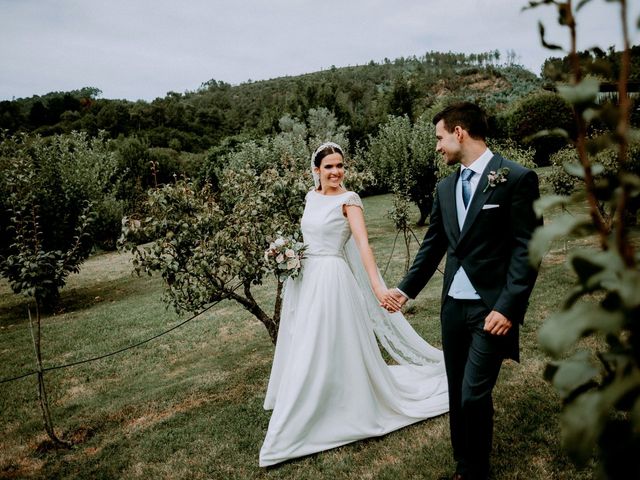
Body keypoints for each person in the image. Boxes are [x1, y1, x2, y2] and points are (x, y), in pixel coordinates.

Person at [259, 142, 449, 467]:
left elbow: (363, 247)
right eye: (329, 166)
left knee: (325, 341)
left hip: (332, 279)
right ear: (316, 170)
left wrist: (378, 287)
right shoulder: (310, 196)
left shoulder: (351, 201)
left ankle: (319, 414)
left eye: (340, 165)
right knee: (306, 341)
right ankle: (311, 399)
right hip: (304, 280)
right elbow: (307, 237)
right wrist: (286, 254)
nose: (336, 172)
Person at [383, 102, 541, 480]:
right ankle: (466, 467)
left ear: (458, 132)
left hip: (491, 310)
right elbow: (433, 245)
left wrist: (507, 307)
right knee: (459, 393)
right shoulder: (445, 187)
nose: (437, 147)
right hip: (453, 309)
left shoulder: (516, 178)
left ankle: (473, 469)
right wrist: (405, 291)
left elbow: (527, 249)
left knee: (474, 393)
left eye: (439, 138)